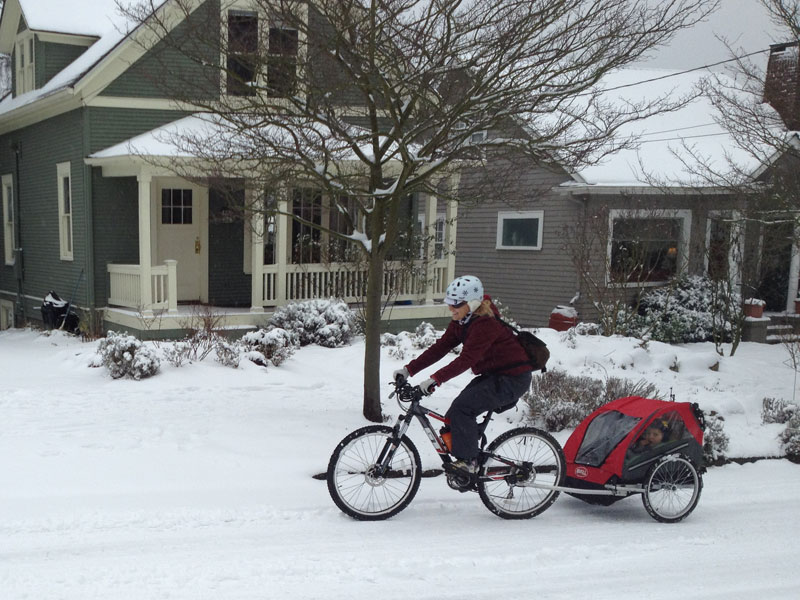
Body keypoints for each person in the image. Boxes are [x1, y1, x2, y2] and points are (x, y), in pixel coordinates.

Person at [393, 275, 534, 474]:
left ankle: (469, 463)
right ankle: (470, 453)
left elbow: (466, 360)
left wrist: (435, 379)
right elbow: (440, 348)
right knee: (453, 418)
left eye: (456, 304)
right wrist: (409, 370)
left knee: (462, 410)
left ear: (472, 303)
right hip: (495, 375)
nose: (451, 309)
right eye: (450, 304)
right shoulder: (462, 320)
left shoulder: (486, 324)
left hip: (513, 379)